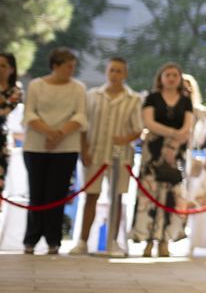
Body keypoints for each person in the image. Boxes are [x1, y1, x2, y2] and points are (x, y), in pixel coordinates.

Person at [70, 56, 142, 255]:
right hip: (94, 154)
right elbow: (83, 126)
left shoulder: (134, 99)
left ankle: (112, 242)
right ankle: (82, 241)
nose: (115, 74)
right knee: (90, 196)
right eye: (112, 70)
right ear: (106, 72)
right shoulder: (92, 95)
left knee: (117, 199)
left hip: (121, 157)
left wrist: (125, 138)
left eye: (119, 71)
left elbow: (138, 129)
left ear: (125, 74)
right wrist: (84, 150)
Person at [21, 47, 89, 256]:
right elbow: (29, 114)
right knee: (37, 194)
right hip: (36, 146)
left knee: (57, 195)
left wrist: (58, 134)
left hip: (66, 147)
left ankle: (53, 240)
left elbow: (80, 117)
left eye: (73, 67)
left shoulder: (78, 88)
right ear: (55, 66)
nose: (71, 70)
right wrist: (49, 133)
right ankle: (31, 239)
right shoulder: (36, 85)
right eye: (68, 66)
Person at [129, 62, 194, 258]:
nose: (171, 78)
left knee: (171, 196)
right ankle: (148, 240)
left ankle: (165, 240)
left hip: (176, 155)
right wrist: (172, 134)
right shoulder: (152, 98)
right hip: (153, 152)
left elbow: (187, 126)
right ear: (161, 78)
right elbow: (148, 122)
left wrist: (173, 144)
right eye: (168, 75)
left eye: (175, 75)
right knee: (150, 195)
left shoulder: (185, 100)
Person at [0, 52, 21, 197]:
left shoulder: (15, 91)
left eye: (3, 65)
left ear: (11, 69)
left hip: (2, 142)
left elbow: (4, 110)